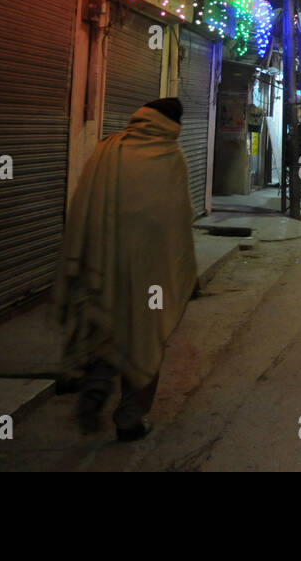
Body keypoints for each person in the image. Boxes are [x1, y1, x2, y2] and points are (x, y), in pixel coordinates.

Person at [55, 97, 197, 442]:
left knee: (106, 327)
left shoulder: (108, 149)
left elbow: (82, 206)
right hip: (150, 275)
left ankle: (95, 388)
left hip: (103, 263)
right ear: (172, 125)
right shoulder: (171, 157)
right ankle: (129, 419)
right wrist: (183, 272)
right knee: (145, 338)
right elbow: (179, 221)